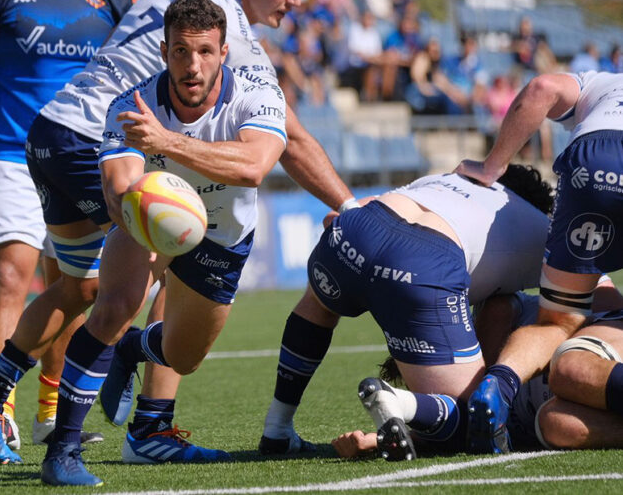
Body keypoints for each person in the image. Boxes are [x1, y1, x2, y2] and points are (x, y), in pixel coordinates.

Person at [0, 0, 356, 468]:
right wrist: (348, 205)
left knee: (83, 287)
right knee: (158, 259)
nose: (297, 0)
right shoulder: (225, 28)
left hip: (55, 131)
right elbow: (290, 142)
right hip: (101, 139)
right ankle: (149, 427)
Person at [57, 0, 286, 485]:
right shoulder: (130, 106)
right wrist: (143, 222)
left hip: (223, 237)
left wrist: (166, 143)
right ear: (164, 52)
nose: (192, 64)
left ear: (225, 52)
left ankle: (134, 349)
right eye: (181, 51)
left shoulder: (258, 95)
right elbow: (119, 190)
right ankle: (62, 450)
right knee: (114, 305)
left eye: (205, 51)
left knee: (185, 357)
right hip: (148, 224)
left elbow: (253, 167)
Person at [0, 0, 131, 450]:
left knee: (76, 290)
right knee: (8, 280)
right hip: (10, 153)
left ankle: (50, 416)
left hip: (81, 157)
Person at [258, 166, 552, 458]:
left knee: (318, 304)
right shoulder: (541, 228)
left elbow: (333, 219)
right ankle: (398, 402)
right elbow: (587, 290)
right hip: (426, 259)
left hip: (356, 228)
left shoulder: (448, 179)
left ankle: (277, 427)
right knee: (476, 420)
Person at [455, 70, 623, 454]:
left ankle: (500, 383)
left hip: (594, 163)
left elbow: (543, 88)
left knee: (559, 325)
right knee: (557, 416)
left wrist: (492, 166)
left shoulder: (600, 83)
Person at [333, 283, 623, 458]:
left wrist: (481, 388)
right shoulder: (460, 410)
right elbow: (447, 429)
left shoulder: (487, 318)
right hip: (568, 407)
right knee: (558, 424)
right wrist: (375, 440)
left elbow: (501, 307)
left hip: (600, 351)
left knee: (569, 370)